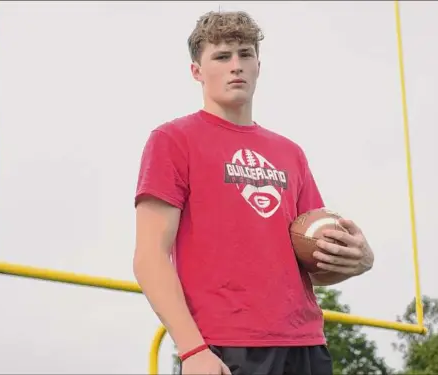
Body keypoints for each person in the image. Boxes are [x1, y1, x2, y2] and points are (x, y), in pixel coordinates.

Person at [132, 10, 375, 375]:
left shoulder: (289, 152)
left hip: (305, 343)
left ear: (258, 66)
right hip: (225, 343)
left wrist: (359, 260)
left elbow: (314, 260)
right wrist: (192, 349)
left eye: (245, 54)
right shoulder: (173, 140)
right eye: (222, 56)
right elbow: (149, 257)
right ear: (196, 71)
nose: (236, 66)